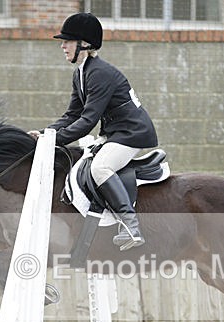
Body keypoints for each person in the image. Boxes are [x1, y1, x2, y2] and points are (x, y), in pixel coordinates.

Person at [29, 12, 158, 251]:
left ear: (84, 44)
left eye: (68, 41)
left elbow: (88, 121)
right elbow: (72, 115)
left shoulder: (100, 73)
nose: (62, 46)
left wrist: (55, 139)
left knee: (100, 168)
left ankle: (131, 226)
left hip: (132, 134)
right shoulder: (81, 73)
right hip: (115, 133)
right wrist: (46, 133)